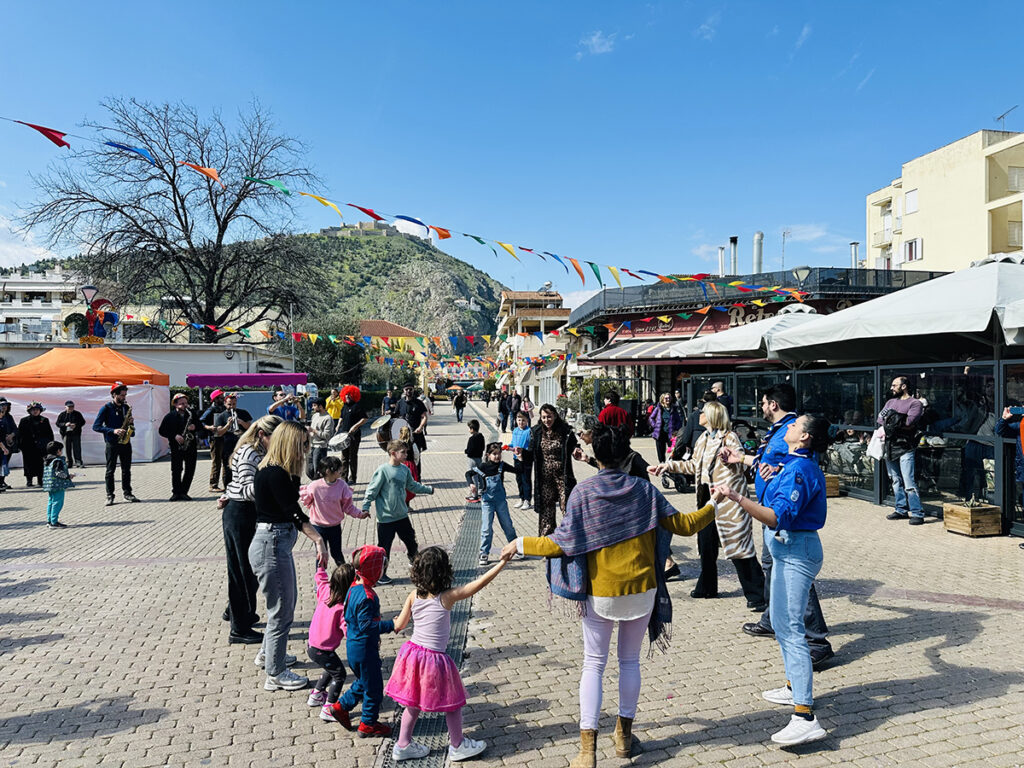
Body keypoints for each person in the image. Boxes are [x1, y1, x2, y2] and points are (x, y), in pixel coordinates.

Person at [500, 423, 716, 768]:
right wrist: (714, 503)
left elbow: (561, 542)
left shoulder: (583, 493)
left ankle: (587, 751)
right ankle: (624, 738)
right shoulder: (644, 492)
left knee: (594, 664)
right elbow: (686, 525)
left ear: (595, 456)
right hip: (642, 590)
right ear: (628, 455)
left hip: (600, 593)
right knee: (629, 662)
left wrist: (520, 544)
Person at [712, 413, 832, 746]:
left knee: (792, 629)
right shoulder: (792, 464)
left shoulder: (802, 470)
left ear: (804, 437)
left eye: (795, 426)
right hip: (786, 550)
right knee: (780, 623)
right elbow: (777, 481)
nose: (789, 428)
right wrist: (759, 469)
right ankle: (794, 686)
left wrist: (736, 497)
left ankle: (805, 716)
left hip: (798, 550)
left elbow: (777, 516)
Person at [722, 384, 834, 668]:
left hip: (785, 522)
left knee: (795, 579)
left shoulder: (790, 436)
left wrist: (737, 497)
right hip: (774, 514)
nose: (760, 407)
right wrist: (742, 460)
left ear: (773, 404)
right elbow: (769, 463)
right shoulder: (781, 433)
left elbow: (793, 472)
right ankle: (772, 619)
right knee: (773, 568)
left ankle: (817, 641)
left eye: (762, 402)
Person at [385, 546, 505, 762]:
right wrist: (501, 564)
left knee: (412, 704)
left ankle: (402, 745)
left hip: (412, 655)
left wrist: (391, 621)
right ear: (444, 572)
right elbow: (476, 586)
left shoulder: (413, 595)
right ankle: (457, 745)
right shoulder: (446, 597)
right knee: (453, 702)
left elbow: (400, 625)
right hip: (433, 659)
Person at [650, 401, 765, 608]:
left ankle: (757, 595)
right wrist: (668, 466)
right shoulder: (703, 438)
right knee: (706, 546)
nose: (699, 414)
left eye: (703, 412)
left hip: (729, 501)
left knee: (740, 549)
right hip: (707, 499)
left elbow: (738, 465)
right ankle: (707, 587)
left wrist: (729, 461)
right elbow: (694, 465)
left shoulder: (729, 438)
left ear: (712, 416)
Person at [249, 420, 328, 691]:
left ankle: (269, 654)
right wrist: (318, 539)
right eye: (301, 445)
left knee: (279, 608)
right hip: (272, 543)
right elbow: (294, 514)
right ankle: (275, 672)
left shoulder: (279, 472)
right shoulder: (274, 474)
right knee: (282, 611)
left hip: (273, 542)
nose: (305, 450)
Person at [220, 414, 282, 645]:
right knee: (242, 571)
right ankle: (239, 627)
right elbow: (247, 488)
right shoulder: (249, 452)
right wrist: (275, 491)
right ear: (261, 435)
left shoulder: (262, 451)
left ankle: (238, 611)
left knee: (249, 569)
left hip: (248, 512)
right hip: (241, 513)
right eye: (275, 438)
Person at [330, 544, 396, 737]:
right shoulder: (367, 596)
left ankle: (341, 706)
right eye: (382, 567)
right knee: (374, 689)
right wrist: (391, 625)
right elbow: (367, 626)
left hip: (354, 647)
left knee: (365, 680)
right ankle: (368, 723)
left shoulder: (353, 586)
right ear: (375, 570)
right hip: (365, 649)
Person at [362, 439, 434, 586]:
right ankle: (381, 575)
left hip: (402, 515)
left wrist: (427, 489)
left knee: (411, 542)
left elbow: (412, 485)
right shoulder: (383, 470)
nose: (406, 454)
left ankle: (417, 566)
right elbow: (372, 490)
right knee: (384, 548)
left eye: (406, 452)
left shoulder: (404, 469)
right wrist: (365, 506)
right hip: (386, 518)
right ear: (393, 453)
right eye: (403, 452)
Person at [306, 560, 355, 728]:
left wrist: (320, 566)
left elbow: (320, 579)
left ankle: (317, 694)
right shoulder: (342, 608)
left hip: (312, 646)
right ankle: (329, 707)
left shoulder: (325, 590)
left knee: (331, 667)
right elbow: (348, 630)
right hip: (322, 650)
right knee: (339, 674)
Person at [300, 455, 367, 566]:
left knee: (337, 554)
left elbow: (348, 507)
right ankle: (320, 581)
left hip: (335, 527)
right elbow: (307, 501)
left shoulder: (342, 486)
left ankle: (345, 578)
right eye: (338, 469)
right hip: (318, 527)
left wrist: (360, 514)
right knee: (321, 555)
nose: (341, 470)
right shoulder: (314, 486)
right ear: (328, 471)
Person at [877, 376, 925, 525]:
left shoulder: (915, 403)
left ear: (904, 386)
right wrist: (896, 420)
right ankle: (901, 509)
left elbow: (909, 422)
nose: (892, 388)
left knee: (909, 482)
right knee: (896, 480)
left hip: (905, 447)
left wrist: (892, 419)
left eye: (894, 385)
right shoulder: (890, 402)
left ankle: (917, 512)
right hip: (890, 446)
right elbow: (880, 419)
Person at [468, 442, 521, 567]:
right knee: (486, 528)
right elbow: (468, 474)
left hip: (501, 501)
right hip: (487, 502)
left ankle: (515, 548)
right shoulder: (483, 467)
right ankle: (484, 553)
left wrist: (519, 457)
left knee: (508, 525)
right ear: (488, 455)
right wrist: (471, 483)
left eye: (499, 454)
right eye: (494, 454)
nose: (497, 457)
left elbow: (519, 470)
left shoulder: (502, 466)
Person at [530, 404, 579, 536]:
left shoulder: (565, 431)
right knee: (547, 510)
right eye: (544, 417)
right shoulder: (536, 432)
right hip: (545, 477)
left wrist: (576, 450)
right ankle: (547, 540)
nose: (547, 420)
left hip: (563, 475)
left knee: (567, 506)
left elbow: (574, 444)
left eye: (549, 417)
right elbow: (530, 451)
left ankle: (570, 537)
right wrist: (521, 454)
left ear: (555, 416)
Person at [93, 382, 138, 506]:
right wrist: (113, 430)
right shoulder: (106, 408)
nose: (124, 398)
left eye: (125, 395)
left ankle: (127, 493)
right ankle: (109, 495)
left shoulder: (126, 408)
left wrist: (130, 423)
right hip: (112, 443)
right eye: (122, 395)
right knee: (110, 470)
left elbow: (130, 425)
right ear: (114, 394)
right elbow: (96, 426)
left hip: (125, 442)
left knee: (126, 470)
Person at [158, 392, 200, 501]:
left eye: (186, 403)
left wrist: (194, 427)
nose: (185, 405)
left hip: (190, 446)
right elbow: (161, 431)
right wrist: (174, 436)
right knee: (176, 470)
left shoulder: (192, 414)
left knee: (190, 469)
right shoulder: (169, 416)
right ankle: (176, 492)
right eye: (181, 404)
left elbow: (201, 427)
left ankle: (184, 491)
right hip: (176, 447)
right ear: (175, 405)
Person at [212, 392, 252, 483]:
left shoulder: (243, 413)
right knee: (228, 468)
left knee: (242, 465)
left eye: (234, 404)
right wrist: (228, 425)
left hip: (241, 443)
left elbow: (250, 427)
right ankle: (228, 488)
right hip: (227, 445)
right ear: (225, 404)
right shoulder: (221, 416)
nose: (231, 406)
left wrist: (241, 422)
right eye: (229, 404)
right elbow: (219, 433)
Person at [337, 385, 368, 485]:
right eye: (346, 395)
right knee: (344, 457)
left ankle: (353, 478)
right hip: (344, 435)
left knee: (352, 457)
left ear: (353, 395)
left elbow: (364, 419)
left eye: (349, 395)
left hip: (354, 435)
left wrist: (355, 426)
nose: (347, 397)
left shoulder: (357, 406)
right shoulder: (344, 406)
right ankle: (343, 477)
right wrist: (338, 425)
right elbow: (341, 417)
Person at [18, 401, 53, 487]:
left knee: (41, 463)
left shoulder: (44, 420)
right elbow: (20, 434)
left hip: (41, 447)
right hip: (28, 446)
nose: (35, 411)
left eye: (37, 409)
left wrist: (50, 446)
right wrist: (19, 445)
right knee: (28, 464)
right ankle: (29, 480)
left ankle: (40, 480)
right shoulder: (24, 421)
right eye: (33, 410)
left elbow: (49, 434)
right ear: (29, 411)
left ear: (40, 410)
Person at [396, 385, 428, 473]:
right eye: (407, 389)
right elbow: (396, 417)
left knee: (416, 456)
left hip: (416, 434)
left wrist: (420, 427)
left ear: (413, 390)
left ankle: (417, 478)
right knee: (402, 456)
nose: (409, 391)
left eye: (411, 389)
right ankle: (405, 477)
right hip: (403, 436)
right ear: (403, 390)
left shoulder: (418, 403)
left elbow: (424, 417)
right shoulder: (400, 403)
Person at [42, 441, 74, 528]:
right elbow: (58, 473)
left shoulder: (47, 460)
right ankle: (54, 522)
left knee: (51, 502)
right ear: (58, 451)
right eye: (61, 450)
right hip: (57, 485)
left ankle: (49, 520)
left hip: (49, 485)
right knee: (57, 502)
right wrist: (68, 476)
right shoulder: (58, 461)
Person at [202, 389, 228, 492]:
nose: (223, 399)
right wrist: (209, 427)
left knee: (226, 461)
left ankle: (227, 484)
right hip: (215, 438)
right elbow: (201, 421)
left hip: (224, 437)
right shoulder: (211, 410)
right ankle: (213, 485)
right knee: (216, 462)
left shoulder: (223, 408)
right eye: (221, 397)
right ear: (215, 399)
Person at [678, 391, 718, 458]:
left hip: (696, 441)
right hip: (713, 442)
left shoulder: (694, 414)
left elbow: (688, 431)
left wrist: (687, 443)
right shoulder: (717, 413)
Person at [647, 393, 682, 463]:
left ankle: (670, 465)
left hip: (671, 433)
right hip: (660, 433)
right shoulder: (658, 408)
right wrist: (655, 425)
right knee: (660, 451)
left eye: (669, 398)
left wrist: (677, 429)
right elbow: (651, 418)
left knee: (673, 451)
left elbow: (678, 420)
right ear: (662, 400)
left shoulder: (674, 408)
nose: (668, 399)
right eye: (666, 398)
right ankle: (662, 464)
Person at [307, 398, 335, 480]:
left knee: (318, 470)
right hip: (311, 445)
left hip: (320, 447)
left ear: (321, 406)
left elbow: (327, 435)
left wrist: (314, 431)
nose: (313, 407)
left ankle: (319, 488)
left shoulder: (328, 418)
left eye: (314, 406)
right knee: (309, 470)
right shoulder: (315, 416)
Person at [510, 411, 533, 509]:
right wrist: (507, 447)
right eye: (519, 420)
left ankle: (527, 500)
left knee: (526, 479)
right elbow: (513, 443)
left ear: (527, 420)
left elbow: (531, 446)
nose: (521, 422)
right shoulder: (515, 430)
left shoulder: (529, 431)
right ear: (516, 420)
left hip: (526, 459)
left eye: (523, 420)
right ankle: (522, 498)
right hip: (516, 458)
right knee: (518, 478)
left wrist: (524, 451)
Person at [56, 400, 86, 468]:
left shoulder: (78, 414)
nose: (71, 408)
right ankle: (68, 463)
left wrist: (76, 425)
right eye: (69, 407)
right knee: (67, 449)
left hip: (76, 433)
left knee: (77, 448)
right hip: (66, 434)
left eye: (72, 406)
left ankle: (78, 462)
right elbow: (58, 423)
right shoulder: (62, 414)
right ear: (65, 407)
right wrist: (65, 424)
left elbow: (83, 422)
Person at [464, 419, 485, 503]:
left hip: (472, 459)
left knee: (473, 477)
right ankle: (481, 491)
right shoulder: (481, 436)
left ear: (472, 429)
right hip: (479, 458)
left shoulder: (472, 439)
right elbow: (483, 448)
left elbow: (469, 450)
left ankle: (474, 495)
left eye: (469, 428)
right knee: (480, 475)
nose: (469, 430)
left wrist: (466, 451)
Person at [0, 397, 18, 490]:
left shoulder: (9, 416)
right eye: (2, 405)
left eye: (6, 405)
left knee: (5, 463)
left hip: (8, 443)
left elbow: (15, 428)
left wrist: (12, 435)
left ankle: (2, 481)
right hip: (1, 444)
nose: (4, 407)